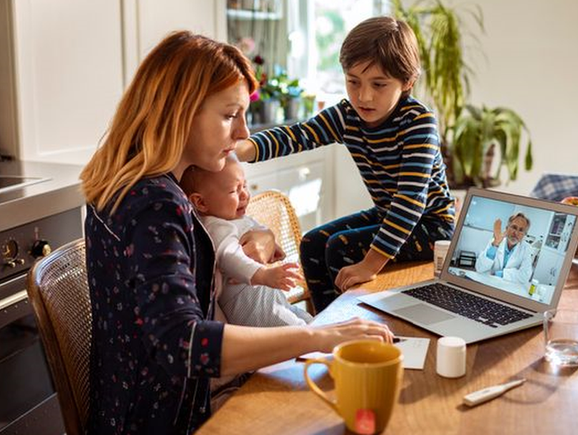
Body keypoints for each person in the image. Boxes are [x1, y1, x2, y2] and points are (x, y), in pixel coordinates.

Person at [79, 31, 392, 435]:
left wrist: (258, 239)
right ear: (179, 111)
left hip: (125, 410)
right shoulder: (157, 205)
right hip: (172, 419)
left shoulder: (126, 184)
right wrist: (318, 337)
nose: (244, 133)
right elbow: (185, 343)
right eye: (230, 115)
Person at [236, 16, 455, 313]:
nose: (364, 96)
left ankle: (351, 323)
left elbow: (409, 203)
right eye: (353, 82)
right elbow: (298, 135)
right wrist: (241, 149)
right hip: (388, 214)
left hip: (433, 227)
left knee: (340, 246)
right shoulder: (346, 115)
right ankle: (327, 323)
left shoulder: (418, 124)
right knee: (313, 242)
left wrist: (371, 264)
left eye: (379, 84)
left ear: (407, 82)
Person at [180, 154, 313, 327]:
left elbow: (255, 229)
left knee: (310, 322)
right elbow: (230, 256)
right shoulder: (215, 226)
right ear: (201, 202)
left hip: (269, 300)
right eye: (234, 190)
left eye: (244, 185)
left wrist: (273, 247)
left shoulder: (233, 217)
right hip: (250, 308)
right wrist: (263, 274)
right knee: (302, 332)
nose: (245, 195)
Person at [475, 213, 535, 283]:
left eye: (521, 230)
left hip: (509, 287)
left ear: (525, 234)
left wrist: (500, 274)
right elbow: (479, 268)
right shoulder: (495, 241)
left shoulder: (526, 249)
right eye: (514, 227)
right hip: (489, 282)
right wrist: (496, 244)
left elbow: (525, 276)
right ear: (507, 228)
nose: (516, 233)